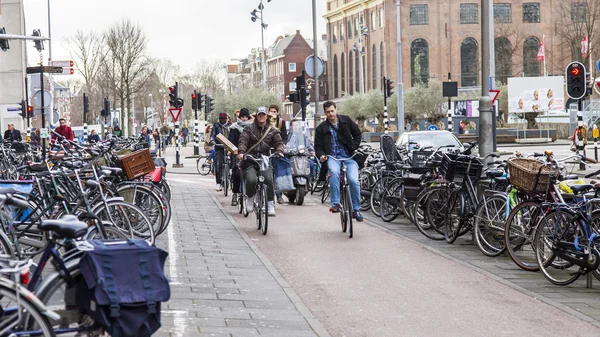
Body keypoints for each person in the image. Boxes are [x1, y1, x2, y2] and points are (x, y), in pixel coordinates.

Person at [314, 101, 364, 222]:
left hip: (349, 157)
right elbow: (318, 146)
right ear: (325, 113)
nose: (331, 114)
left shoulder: (346, 120)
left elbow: (357, 133)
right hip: (333, 157)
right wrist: (321, 155)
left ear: (336, 109)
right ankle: (335, 203)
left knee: (353, 180)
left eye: (332, 111)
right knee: (334, 172)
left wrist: (355, 146)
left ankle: (356, 210)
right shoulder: (321, 128)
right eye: (328, 112)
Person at [237, 106, 285, 216]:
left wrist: (280, 151)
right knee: (251, 179)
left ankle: (270, 204)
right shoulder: (249, 128)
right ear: (256, 116)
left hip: (265, 159)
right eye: (259, 115)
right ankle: (250, 197)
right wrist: (241, 152)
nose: (261, 117)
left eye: (263, 115)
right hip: (251, 159)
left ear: (267, 116)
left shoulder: (272, 130)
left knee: (268, 179)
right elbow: (243, 140)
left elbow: (279, 143)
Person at [228, 108, 252, 206]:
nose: (244, 119)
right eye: (242, 117)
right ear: (239, 117)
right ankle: (235, 193)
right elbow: (231, 141)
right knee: (237, 172)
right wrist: (234, 151)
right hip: (237, 152)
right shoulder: (234, 128)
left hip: (249, 152)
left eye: (246, 117)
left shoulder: (252, 127)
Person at [268, 104, 288, 204]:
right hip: (267, 150)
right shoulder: (266, 121)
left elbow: (284, 135)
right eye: (271, 111)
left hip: (277, 150)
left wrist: (283, 145)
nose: (272, 113)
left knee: (277, 173)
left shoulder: (281, 122)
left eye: (274, 112)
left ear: (277, 112)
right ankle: (269, 195)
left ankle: (279, 195)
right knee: (269, 174)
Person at [210, 113, 232, 191]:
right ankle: (218, 182)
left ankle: (230, 177)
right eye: (221, 118)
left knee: (233, 162)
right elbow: (212, 134)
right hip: (219, 147)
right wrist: (212, 140)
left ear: (226, 118)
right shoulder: (216, 125)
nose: (222, 120)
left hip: (229, 147)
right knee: (218, 163)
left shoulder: (230, 126)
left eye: (224, 118)